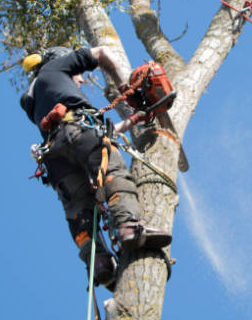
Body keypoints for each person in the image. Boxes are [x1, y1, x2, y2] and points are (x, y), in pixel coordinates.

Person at [20, 46, 171, 290]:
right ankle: (128, 225)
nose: (80, 79)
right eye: (77, 74)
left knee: (78, 209)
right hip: (79, 133)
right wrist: (125, 87)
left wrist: (133, 120)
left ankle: (98, 261)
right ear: (62, 62)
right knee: (113, 172)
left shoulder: (36, 96)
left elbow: (85, 132)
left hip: (54, 154)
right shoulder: (55, 68)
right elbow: (102, 52)